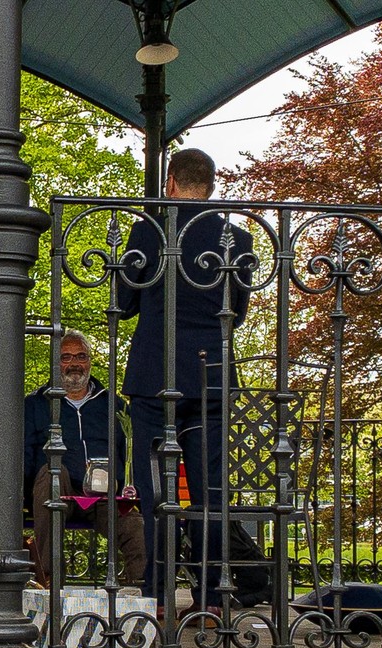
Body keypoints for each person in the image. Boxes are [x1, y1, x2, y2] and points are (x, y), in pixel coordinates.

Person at [117, 148, 254, 612]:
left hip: (155, 376)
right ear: (211, 186)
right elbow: (235, 312)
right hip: (211, 374)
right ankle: (212, 598)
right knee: (209, 489)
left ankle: (157, 594)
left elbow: (126, 300)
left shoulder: (148, 232)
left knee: (157, 489)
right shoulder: (237, 239)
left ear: (170, 183)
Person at [22, 329, 145, 585]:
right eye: (66, 358)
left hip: (103, 494)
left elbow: (131, 452)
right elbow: (22, 454)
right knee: (52, 472)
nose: (74, 364)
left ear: (89, 361)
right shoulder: (35, 404)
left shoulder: (113, 405)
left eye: (80, 356)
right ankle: (51, 583)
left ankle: (144, 596)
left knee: (135, 527)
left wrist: (128, 488)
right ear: (56, 363)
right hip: (55, 493)